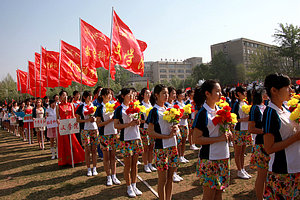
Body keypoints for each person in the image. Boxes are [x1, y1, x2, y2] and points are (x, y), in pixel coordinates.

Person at [192, 80, 232, 200]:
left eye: (221, 91)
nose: (221, 94)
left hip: (224, 156)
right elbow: (196, 139)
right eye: (217, 91)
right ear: (207, 94)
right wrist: (218, 138)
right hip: (209, 159)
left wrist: (228, 132)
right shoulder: (202, 113)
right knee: (209, 195)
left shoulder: (221, 110)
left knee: (219, 192)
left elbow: (225, 130)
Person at [263, 74, 300, 199]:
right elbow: (269, 148)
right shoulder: (270, 113)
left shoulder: (285, 109)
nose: (291, 91)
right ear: (274, 90)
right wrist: (296, 137)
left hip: (295, 167)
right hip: (282, 172)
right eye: (288, 88)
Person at [147, 84, 179, 200]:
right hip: (161, 148)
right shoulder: (154, 111)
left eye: (167, 93)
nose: (166, 95)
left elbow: (174, 124)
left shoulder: (169, 108)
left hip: (173, 146)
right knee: (162, 179)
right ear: (156, 95)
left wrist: (176, 128)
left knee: (170, 178)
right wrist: (165, 136)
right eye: (163, 93)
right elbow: (150, 132)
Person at [114, 88, 144, 198]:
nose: (131, 97)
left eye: (132, 95)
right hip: (125, 139)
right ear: (123, 96)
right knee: (128, 165)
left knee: (135, 164)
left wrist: (138, 122)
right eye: (129, 95)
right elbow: (116, 125)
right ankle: (128, 187)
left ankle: (134, 185)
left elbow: (139, 121)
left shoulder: (136, 107)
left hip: (136, 137)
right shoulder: (119, 109)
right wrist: (128, 124)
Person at [95, 88, 121, 185]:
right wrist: (110, 121)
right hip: (104, 135)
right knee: (106, 157)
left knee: (113, 156)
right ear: (103, 96)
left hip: (113, 134)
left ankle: (114, 175)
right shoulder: (100, 108)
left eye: (110, 94)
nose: (109, 96)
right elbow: (98, 124)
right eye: (107, 94)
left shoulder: (115, 107)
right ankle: (108, 176)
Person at [248, 88, 269, 200]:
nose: (267, 94)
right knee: (261, 174)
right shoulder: (255, 108)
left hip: (269, 143)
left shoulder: (267, 107)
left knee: (268, 175)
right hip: (260, 144)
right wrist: (266, 131)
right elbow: (251, 128)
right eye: (265, 93)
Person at [56, 90, 85, 166]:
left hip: (70, 126)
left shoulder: (70, 105)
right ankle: (65, 161)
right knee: (64, 143)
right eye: (63, 95)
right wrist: (58, 121)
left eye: (66, 95)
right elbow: (57, 117)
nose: (65, 97)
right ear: (60, 97)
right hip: (63, 126)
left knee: (73, 141)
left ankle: (75, 158)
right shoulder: (58, 106)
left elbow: (73, 116)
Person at [76, 91, 99, 176]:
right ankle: (89, 168)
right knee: (87, 149)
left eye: (91, 96)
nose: (90, 98)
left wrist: (95, 119)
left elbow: (98, 117)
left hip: (94, 129)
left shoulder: (95, 106)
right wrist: (87, 120)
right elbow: (77, 119)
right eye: (88, 96)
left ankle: (95, 168)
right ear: (85, 97)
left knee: (94, 149)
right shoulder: (81, 107)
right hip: (85, 130)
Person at [231, 86, 252, 179]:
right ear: (239, 93)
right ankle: (239, 170)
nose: (246, 93)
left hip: (246, 129)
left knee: (243, 151)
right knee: (238, 152)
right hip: (239, 130)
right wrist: (244, 119)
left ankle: (242, 169)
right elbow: (234, 119)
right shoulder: (236, 104)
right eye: (244, 92)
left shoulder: (246, 103)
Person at [138, 88, 157, 173]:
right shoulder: (140, 105)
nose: (148, 95)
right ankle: (145, 165)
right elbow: (138, 119)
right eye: (146, 93)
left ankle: (150, 163)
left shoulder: (152, 105)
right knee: (145, 147)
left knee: (151, 147)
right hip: (143, 128)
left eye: (149, 93)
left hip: (151, 128)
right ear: (142, 95)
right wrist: (146, 121)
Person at [174, 89, 190, 163]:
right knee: (179, 142)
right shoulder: (176, 104)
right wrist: (181, 117)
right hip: (180, 125)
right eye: (181, 94)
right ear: (177, 95)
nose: (183, 95)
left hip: (185, 124)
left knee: (184, 141)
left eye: (183, 94)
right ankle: (179, 155)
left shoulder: (184, 103)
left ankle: (182, 156)